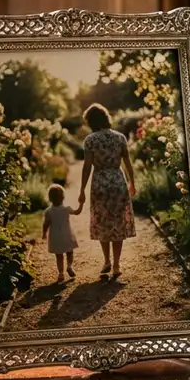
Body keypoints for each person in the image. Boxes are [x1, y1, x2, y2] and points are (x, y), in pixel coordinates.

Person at [77, 103, 136, 280]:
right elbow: (127, 161)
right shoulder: (120, 138)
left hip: (100, 183)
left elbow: (87, 166)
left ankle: (106, 261)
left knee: (102, 221)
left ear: (91, 121)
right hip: (118, 182)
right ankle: (117, 265)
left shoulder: (90, 140)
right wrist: (132, 182)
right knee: (118, 222)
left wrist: (81, 190)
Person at [42, 183, 83, 283]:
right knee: (69, 252)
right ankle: (69, 266)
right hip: (67, 235)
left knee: (59, 255)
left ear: (50, 198)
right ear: (63, 197)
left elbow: (46, 224)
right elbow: (77, 212)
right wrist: (81, 204)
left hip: (55, 237)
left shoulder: (48, 211)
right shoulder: (66, 209)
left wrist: (44, 233)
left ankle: (61, 273)